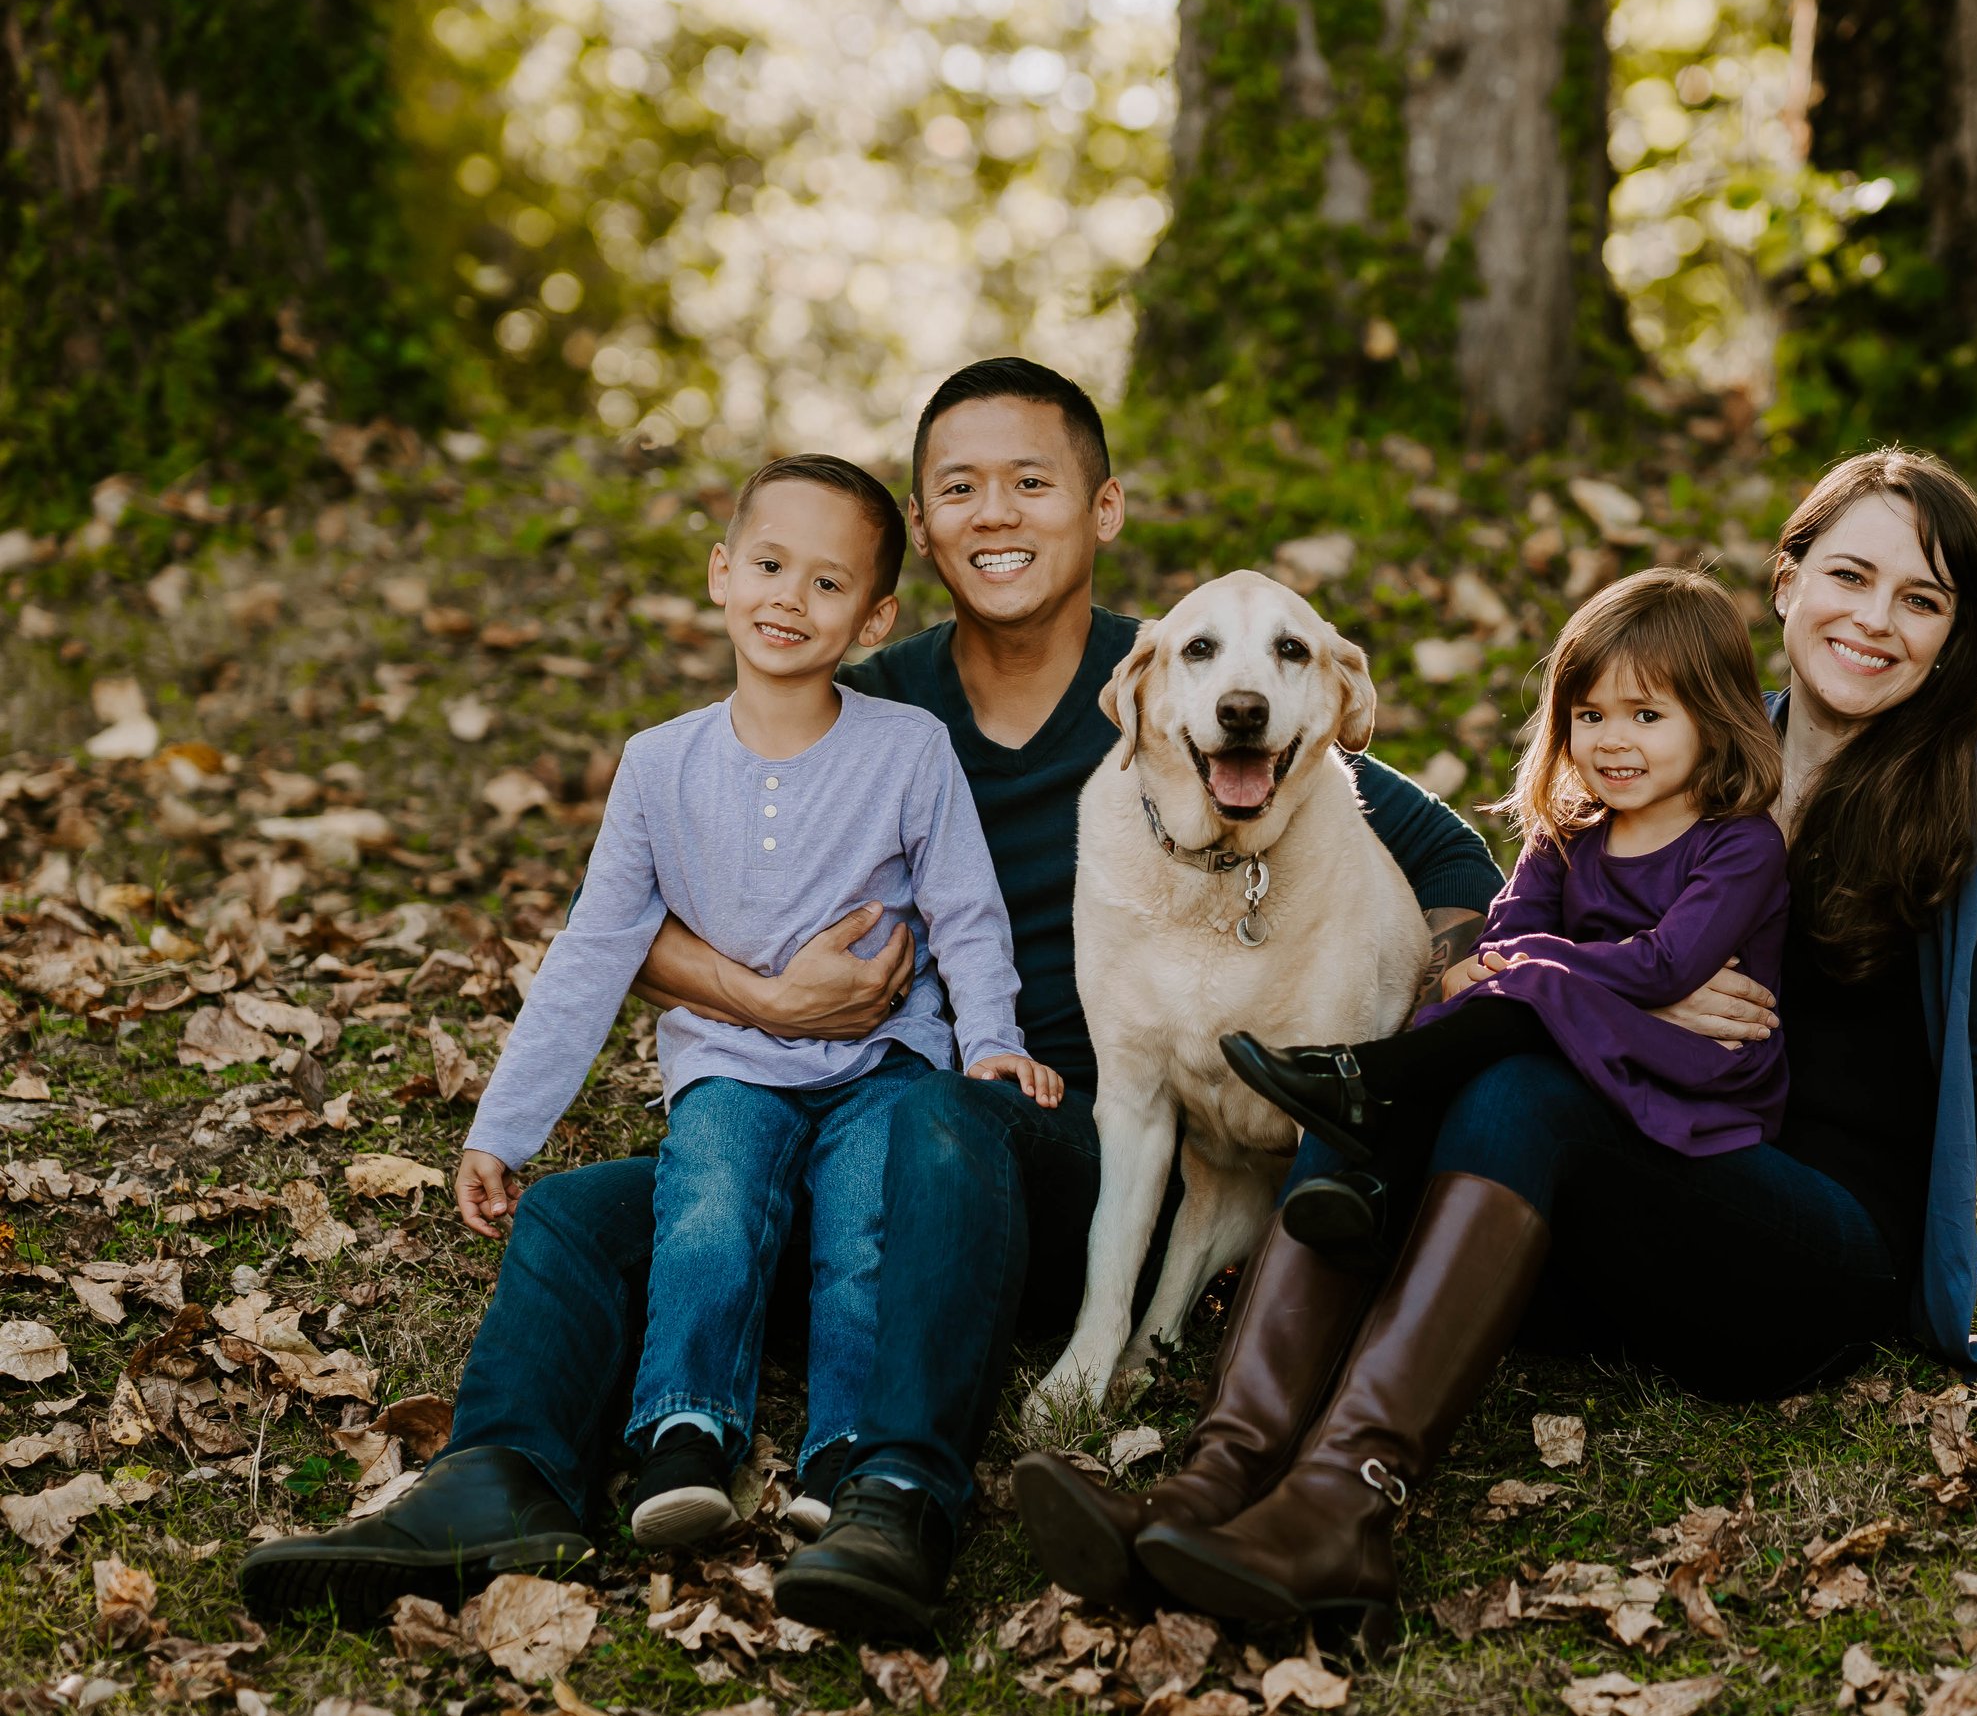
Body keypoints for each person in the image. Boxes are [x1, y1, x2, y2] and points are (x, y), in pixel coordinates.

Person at [236, 359, 1502, 1632]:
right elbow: (637, 915)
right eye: (959, 487)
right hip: (839, 1111)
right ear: (922, 528)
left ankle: (901, 1495)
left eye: (1031, 482)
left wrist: (1432, 993)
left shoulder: (1192, 682)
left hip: (1064, 1138)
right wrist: (761, 997)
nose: (994, 513)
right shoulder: (869, 697)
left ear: (1103, 509)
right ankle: (498, 1479)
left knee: (935, 1116)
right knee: (578, 1218)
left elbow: (1437, 858)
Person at [1054, 448, 1977, 1647]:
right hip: (1633, 1208)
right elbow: (1516, 953)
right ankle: (1206, 1488)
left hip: (1813, 1245)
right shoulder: (1680, 735)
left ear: (1953, 629)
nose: (1874, 620)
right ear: (1786, 582)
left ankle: (1339, 1508)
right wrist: (1599, 994)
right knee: (1414, 1062)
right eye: (1851, 577)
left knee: (1520, 1086)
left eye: (1919, 600)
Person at [450, 454, 1055, 1549]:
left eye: (829, 584)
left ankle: (845, 1450)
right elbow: (594, 952)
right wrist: (504, 1126)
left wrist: (991, 1046)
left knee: (867, 1229)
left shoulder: (909, 752)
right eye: (771, 566)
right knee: (706, 1209)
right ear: (722, 574)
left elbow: (968, 914)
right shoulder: (657, 765)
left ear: (874, 619)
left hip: (885, 1066)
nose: (791, 598)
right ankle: (685, 1430)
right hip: (730, 1065)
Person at [1214, 567, 1788, 1267]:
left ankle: (1364, 1087)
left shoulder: (1741, 844)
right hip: (1589, 1032)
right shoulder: (1570, 831)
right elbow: (1501, 943)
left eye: (1646, 715)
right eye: (1590, 714)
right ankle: (1368, 1175)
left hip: (1700, 1072)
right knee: (1511, 1003)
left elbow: (1667, 965)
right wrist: (1528, 970)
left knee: (1524, 996)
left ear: (1714, 717)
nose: (1612, 740)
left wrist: (1540, 971)